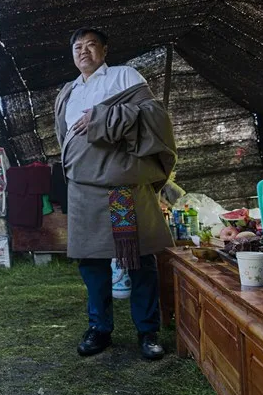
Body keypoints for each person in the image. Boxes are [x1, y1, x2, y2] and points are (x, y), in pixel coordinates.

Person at [54, 28, 177, 361]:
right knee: (91, 262)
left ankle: (147, 330)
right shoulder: (68, 92)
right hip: (82, 188)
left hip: (121, 186)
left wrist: (102, 117)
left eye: (91, 45)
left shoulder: (125, 77)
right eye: (77, 47)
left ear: (104, 50)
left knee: (138, 259)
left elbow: (155, 118)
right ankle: (100, 329)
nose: (83, 51)